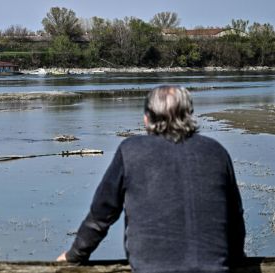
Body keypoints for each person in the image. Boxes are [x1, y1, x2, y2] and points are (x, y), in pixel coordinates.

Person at [57, 85, 246, 273]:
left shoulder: (131, 151)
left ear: (146, 118)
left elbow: (101, 216)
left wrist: (73, 256)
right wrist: (237, 258)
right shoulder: (216, 152)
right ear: (189, 114)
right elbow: (235, 219)